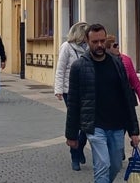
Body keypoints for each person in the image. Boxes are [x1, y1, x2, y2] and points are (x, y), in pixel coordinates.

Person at [65, 23, 140, 183]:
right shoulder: (79, 67)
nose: (99, 45)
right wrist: (71, 135)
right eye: (95, 42)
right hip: (95, 126)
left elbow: (127, 96)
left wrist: (134, 130)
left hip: (117, 126)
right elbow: (73, 103)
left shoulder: (117, 63)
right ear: (87, 40)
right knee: (102, 165)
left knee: (115, 164)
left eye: (102, 41)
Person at [54, 21, 89, 171]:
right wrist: (58, 89)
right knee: (75, 122)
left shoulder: (88, 48)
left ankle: (80, 146)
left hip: (87, 90)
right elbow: (60, 69)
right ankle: (74, 155)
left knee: (88, 124)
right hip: (70, 91)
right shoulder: (66, 47)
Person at [105, 35, 140, 106]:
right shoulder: (105, 61)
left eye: (117, 45)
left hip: (126, 96)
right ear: (108, 49)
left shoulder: (126, 60)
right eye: (115, 46)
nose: (118, 47)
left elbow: (135, 80)